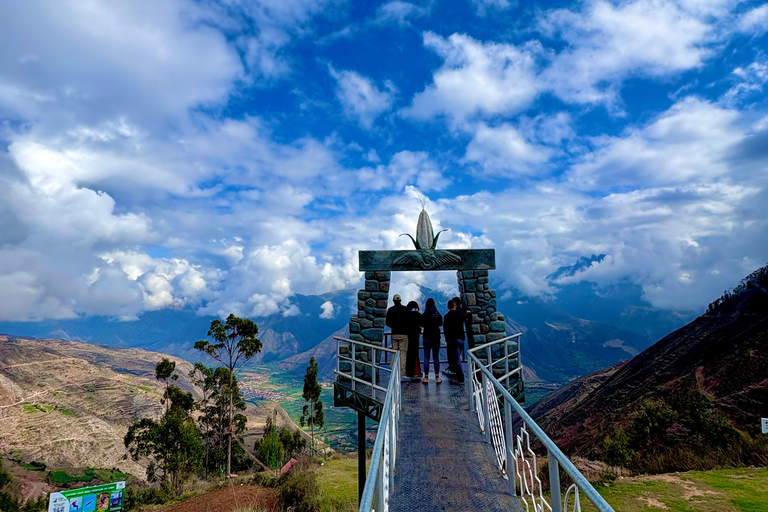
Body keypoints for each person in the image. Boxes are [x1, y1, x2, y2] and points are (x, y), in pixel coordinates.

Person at [385, 293, 409, 381]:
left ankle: (393, 371)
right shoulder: (405, 309)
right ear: (400, 300)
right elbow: (409, 321)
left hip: (394, 333)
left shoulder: (390, 310)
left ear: (393, 301)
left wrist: (393, 326)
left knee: (394, 352)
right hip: (403, 334)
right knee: (403, 353)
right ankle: (402, 374)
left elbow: (387, 322)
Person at [420, 297, 443, 384]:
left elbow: (421, 324)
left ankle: (426, 377)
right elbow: (441, 323)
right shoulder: (437, 314)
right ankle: (437, 377)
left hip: (426, 337)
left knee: (426, 357)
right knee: (436, 357)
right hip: (436, 337)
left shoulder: (424, 314)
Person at [443, 299, 466, 385]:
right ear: (455, 306)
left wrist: (447, 340)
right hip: (461, 339)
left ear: (448, 307)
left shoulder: (446, 317)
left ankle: (461, 378)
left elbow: (445, 330)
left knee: (456, 360)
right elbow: (465, 316)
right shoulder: (460, 314)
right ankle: (456, 374)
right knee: (457, 358)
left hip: (453, 340)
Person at [405, 301, 423, 381]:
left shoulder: (407, 315)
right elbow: (422, 324)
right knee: (415, 353)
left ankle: (408, 372)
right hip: (416, 336)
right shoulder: (418, 315)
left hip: (408, 335)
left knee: (408, 353)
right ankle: (416, 371)